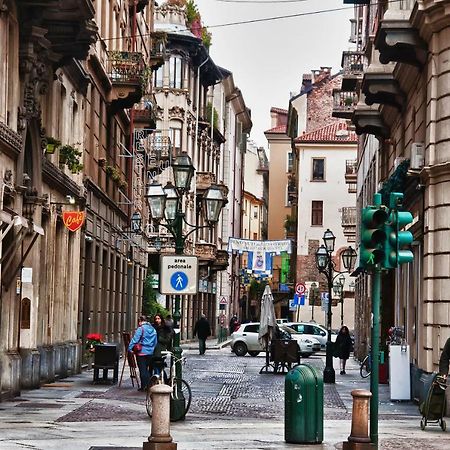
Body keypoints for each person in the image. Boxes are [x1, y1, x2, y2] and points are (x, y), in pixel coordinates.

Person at [128, 315, 157, 391]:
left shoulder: (141, 329)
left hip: (142, 352)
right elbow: (155, 342)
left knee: (143, 370)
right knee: (147, 370)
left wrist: (129, 348)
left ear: (140, 321)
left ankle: (145, 386)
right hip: (151, 352)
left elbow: (135, 340)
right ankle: (148, 385)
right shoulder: (153, 329)